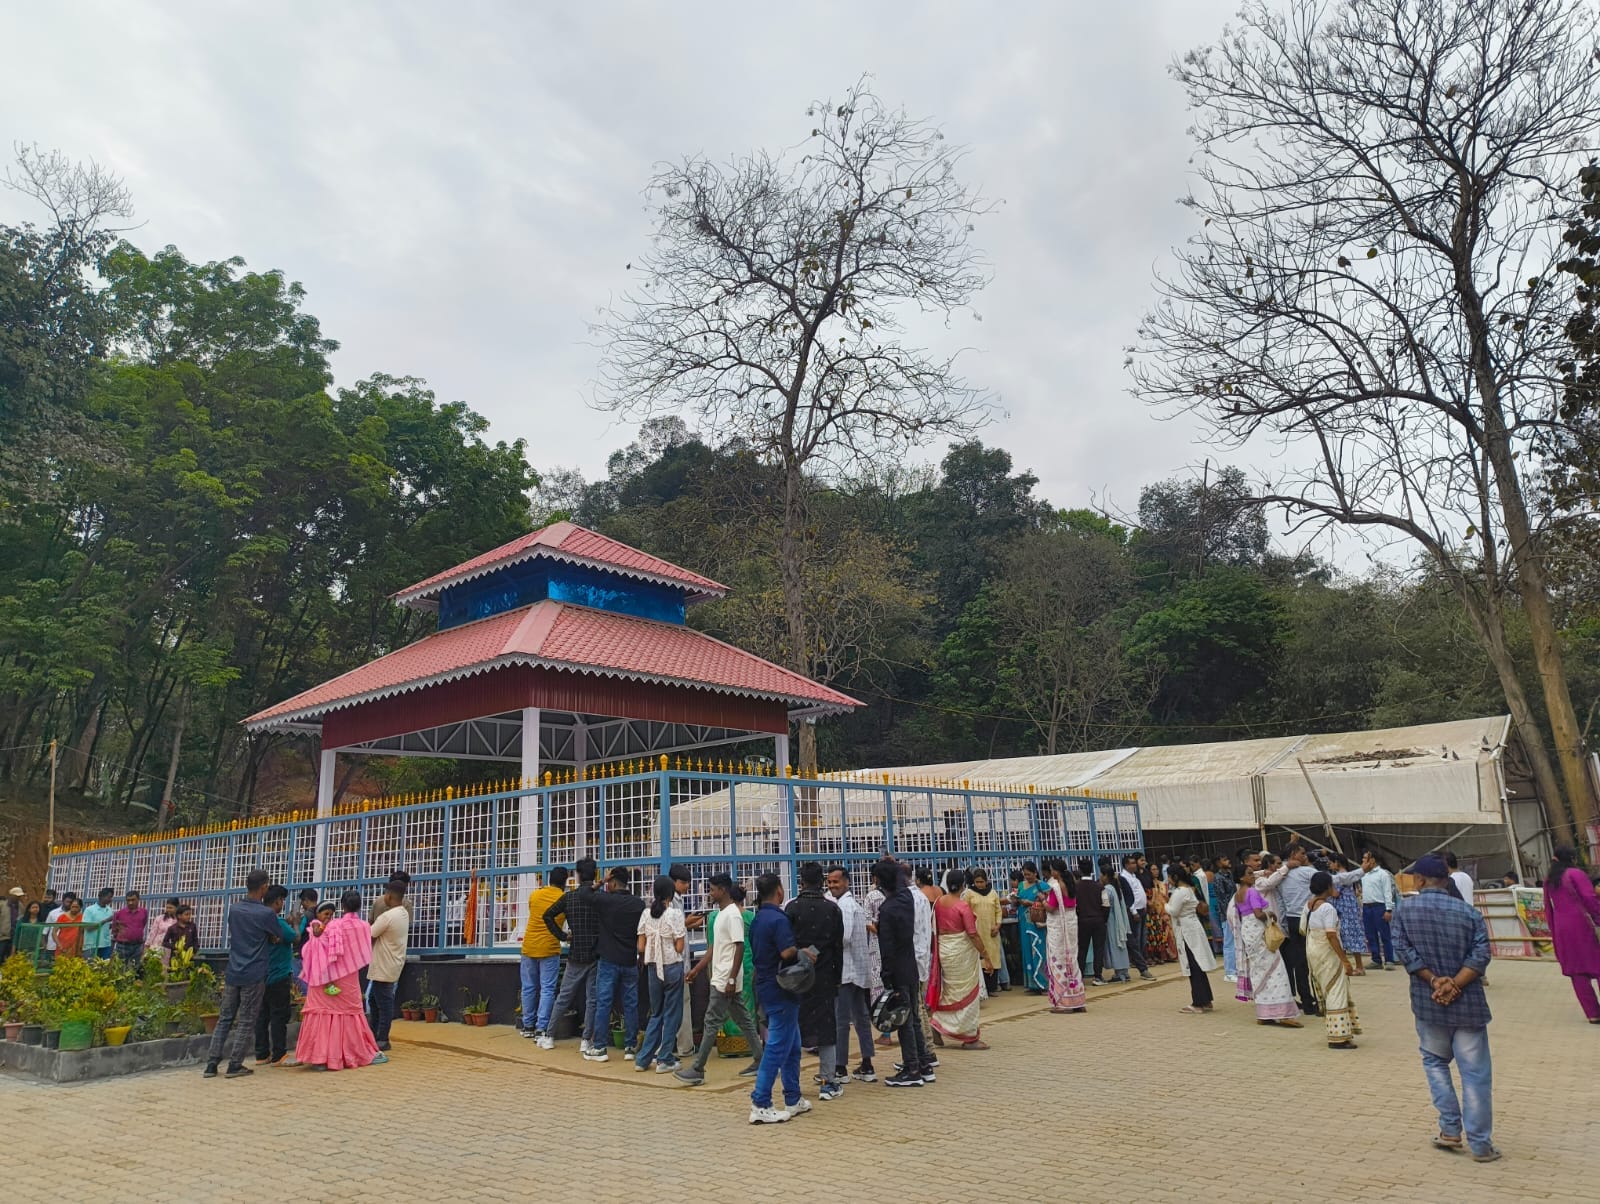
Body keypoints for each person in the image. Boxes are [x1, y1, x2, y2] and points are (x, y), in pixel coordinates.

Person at [1392, 853, 1498, 1162]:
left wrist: (1434, 980)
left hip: (1428, 1002)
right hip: (1468, 1005)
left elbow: (1403, 951)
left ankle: (1450, 1130)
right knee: (1475, 1074)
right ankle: (1480, 1144)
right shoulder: (1469, 914)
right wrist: (1456, 983)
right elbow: (1481, 955)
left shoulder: (1404, 910)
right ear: (1446, 880)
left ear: (1420, 880)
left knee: (1435, 1062)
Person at [676, 874, 763, 1087]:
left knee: (711, 1021)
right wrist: (697, 969)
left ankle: (698, 1068)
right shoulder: (722, 914)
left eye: (712, 889)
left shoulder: (733, 915)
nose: (710, 893)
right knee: (744, 1020)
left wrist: (732, 978)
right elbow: (716, 947)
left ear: (723, 890)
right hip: (722, 975)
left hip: (725, 978)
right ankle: (761, 1061)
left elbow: (739, 946)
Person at [205, 868, 289, 1079]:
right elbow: (277, 936)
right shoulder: (265, 913)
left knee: (225, 1018)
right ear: (264, 887)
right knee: (246, 1019)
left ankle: (212, 1063)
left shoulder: (234, 909)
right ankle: (235, 1064)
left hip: (233, 969)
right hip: (254, 972)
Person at [294, 889, 384, 1072]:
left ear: (342, 906)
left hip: (322, 977)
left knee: (321, 1014)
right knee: (350, 1014)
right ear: (359, 906)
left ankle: (319, 1058)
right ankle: (349, 1054)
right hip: (348, 979)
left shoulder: (333, 925)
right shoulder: (364, 927)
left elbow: (314, 944)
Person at [747, 872, 808, 1123]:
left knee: (792, 1045)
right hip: (781, 988)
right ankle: (760, 1102)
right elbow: (786, 952)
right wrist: (802, 952)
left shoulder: (758, 919)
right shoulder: (778, 920)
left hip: (766, 986)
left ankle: (793, 1097)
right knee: (776, 1047)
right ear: (779, 891)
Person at [786, 861, 844, 1098]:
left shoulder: (791, 908)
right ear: (822, 882)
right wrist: (837, 978)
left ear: (801, 881)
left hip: (797, 977)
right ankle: (828, 1081)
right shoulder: (832, 909)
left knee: (794, 1026)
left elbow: (787, 945)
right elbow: (838, 948)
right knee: (826, 1028)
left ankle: (792, 1083)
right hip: (825, 977)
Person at [874, 859, 933, 1088]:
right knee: (914, 1017)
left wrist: (886, 976)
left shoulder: (888, 909)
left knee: (904, 1019)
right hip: (910, 965)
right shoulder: (907, 898)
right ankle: (924, 1063)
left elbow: (887, 947)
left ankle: (912, 1068)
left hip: (898, 968)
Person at [545, 858, 603, 1058]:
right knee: (592, 1000)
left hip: (575, 954)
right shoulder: (599, 898)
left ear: (577, 875)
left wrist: (562, 936)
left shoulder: (569, 897)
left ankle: (549, 1035)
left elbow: (548, 915)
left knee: (563, 997)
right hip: (596, 954)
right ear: (595, 874)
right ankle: (586, 1041)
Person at [1230, 865, 1301, 1027]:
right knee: (1277, 970)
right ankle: (1283, 1014)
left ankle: (1264, 1013)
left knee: (1259, 972)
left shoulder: (1237, 895)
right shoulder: (1252, 891)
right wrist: (1270, 914)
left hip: (1248, 933)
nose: (1253, 876)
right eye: (1249, 874)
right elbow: (1258, 914)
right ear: (1241, 878)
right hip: (1259, 932)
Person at [928, 868, 990, 1049]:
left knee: (950, 992)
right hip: (961, 954)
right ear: (963, 885)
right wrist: (985, 955)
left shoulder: (938, 902)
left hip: (945, 952)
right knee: (967, 993)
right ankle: (969, 1037)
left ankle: (938, 1024)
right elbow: (972, 934)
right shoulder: (963, 906)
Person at [634, 875, 688, 1074]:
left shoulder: (646, 913)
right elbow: (680, 947)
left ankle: (643, 1059)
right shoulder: (675, 914)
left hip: (652, 968)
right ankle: (665, 1058)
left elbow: (641, 946)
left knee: (656, 1013)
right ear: (671, 895)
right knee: (672, 1014)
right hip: (672, 966)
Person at [1257, 843, 1319, 1015]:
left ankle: (1298, 999)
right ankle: (1298, 999)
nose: (1280, 866)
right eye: (1277, 864)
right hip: (1281, 926)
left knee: (1294, 964)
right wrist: (1285, 868)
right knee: (1297, 963)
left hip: (1286, 925)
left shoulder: (1280, 878)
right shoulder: (1268, 879)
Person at [591, 867, 646, 1061]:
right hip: (630, 959)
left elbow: (584, 894)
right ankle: (630, 1047)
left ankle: (599, 1048)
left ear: (612, 882)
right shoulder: (638, 904)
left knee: (604, 1003)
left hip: (608, 960)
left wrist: (600, 881)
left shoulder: (605, 900)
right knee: (631, 1004)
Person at [1542, 845, 1600, 1023]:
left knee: (1577, 971)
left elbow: (1548, 908)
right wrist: (1598, 917)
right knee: (1597, 964)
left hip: (1562, 928)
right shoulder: (1575, 874)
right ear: (1572, 858)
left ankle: (1593, 1014)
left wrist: (1555, 932)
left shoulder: (1549, 879)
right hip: (1582, 924)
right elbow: (1589, 898)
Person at [828, 865, 876, 1080]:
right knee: (861, 1017)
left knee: (841, 1020)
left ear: (846, 882)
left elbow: (844, 937)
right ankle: (867, 1063)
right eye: (829, 882)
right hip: (858, 970)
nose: (832, 886)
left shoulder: (845, 906)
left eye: (836, 882)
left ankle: (840, 1067)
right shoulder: (852, 904)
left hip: (846, 971)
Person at [1303, 871, 1359, 1050]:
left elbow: (1303, 929)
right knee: (1336, 991)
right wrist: (1345, 960)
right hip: (1327, 953)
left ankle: (1338, 1032)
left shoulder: (1309, 905)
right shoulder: (1328, 909)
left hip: (1313, 951)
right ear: (1328, 887)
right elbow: (1331, 935)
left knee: (1328, 990)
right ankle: (1338, 1036)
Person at [520, 867, 568, 1046]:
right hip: (549, 948)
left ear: (549, 879)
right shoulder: (563, 898)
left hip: (529, 946)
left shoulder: (534, 895)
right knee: (547, 989)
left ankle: (527, 1026)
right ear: (565, 881)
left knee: (528, 987)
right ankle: (541, 1028)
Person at [253, 885, 299, 1066]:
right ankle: (279, 1054)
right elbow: (295, 937)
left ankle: (261, 1054)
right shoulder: (277, 922)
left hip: (260, 975)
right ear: (278, 901)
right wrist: (296, 923)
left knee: (262, 1015)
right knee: (279, 1015)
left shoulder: (257, 921)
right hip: (279, 975)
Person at [1165, 862, 1217, 1015]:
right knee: (1197, 965)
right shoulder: (1189, 889)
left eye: (1169, 877)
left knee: (1194, 966)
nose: (1168, 880)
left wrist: (1164, 905)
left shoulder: (1180, 891)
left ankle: (1198, 1002)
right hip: (1192, 928)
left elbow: (1174, 911)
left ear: (1175, 877)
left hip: (1187, 931)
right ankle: (1206, 999)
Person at [368, 879, 410, 1052]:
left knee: (383, 1003)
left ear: (389, 895)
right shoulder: (403, 913)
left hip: (383, 965)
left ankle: (382, 1038)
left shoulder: (387, 916)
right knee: (374, 999)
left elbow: (370, 933)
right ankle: (374, 1034)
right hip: (393, 962)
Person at [1041, 858, 1086, 1014]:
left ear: (1055, 871)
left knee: (1058, 961)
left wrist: (1043, 900)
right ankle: (1077, 1000)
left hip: (1059, 927)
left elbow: (1051, 908)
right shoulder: (1071, 883)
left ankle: (1064, 1002)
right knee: (1072, 960)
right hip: (1071, 924)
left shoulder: (1056, 887)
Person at [963, 868, 1004, 996]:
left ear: (986, 881)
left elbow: (998, 911)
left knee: (992, 957)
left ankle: (992, 987)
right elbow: (965, 911)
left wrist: (997, 925)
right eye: (977, 882)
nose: (979, 885)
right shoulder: (969, 893)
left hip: (991, 931)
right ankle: (981, 989)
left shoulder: (993, 893)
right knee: (980, 957)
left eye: (981, 882)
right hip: (977, 931)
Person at [1327, 855, 1369, 975]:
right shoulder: (1347, 875)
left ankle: (1356, 966)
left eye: (1331, 862)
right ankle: (1352, 966)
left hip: (1345, 910)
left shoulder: (1341, 877)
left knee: (1347, 936)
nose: (1330, 865)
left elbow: (1335, 893)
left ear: (1337, 863)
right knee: (1348, 937)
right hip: (1348, 910)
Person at [1074, 858, 1110, 986]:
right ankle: (1098, 976)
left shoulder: (1076, 887)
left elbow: (1074, 905)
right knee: (1098, 948)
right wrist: (1103, 919)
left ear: (1080, 870)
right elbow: (1106, 905)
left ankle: (1079, 977)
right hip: (1098, 920)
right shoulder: (1099, 887)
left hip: (1082, 921)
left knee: (1082, 949)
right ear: (1092, 870)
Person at [1359, 851, 1398, 971]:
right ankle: (1376, 960)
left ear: (1372, 860)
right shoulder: (1364, 875)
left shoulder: (1383, 874)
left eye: (1365, 858)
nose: (1363, 860)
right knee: (1370, 934)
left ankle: (1389, 960)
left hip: (1379, 906)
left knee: (1385, 934)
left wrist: (1388, 909)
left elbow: (1387, 892)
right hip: (1367, 906)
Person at [1013, 862, 1048, 993]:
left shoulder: (1043, 886)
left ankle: (1042, 982)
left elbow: (1049, 904)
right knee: (1027, 950)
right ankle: (1031, 983)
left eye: (1029, 874)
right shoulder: (1021, 885)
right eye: (1025, 874)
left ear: (1035, 873)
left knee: (1038, 951)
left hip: (1036, 923)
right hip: (1024, 922)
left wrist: (1031, 903)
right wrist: (1016, 900)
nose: (1027, 877)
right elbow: (1016, 901)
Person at [1119, 853, 1153, 979]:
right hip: (1134, 911)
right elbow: (1128, 896)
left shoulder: (1134, 876)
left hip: (1141, 909)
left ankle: (1141, 959)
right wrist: (1133, 911)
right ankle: (1138, 962)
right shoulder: (1124, 877)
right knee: (1135, 939)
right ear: (1126, 865)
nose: (1135, 865)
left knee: (1142, 937)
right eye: (1132, 863)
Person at [1100, 858, 1133, 983]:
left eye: (1101, 874)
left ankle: (1119, 973)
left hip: (1111, 921)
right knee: (1121, 945)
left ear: (1105, 876)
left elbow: (1106, 906)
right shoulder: (1116, 887)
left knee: (1115, 945)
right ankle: (1124, 971)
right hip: (1119, 920)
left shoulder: (1107, 889)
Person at [1211, 854, 1237, 981]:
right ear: (1218, 863)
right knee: (1229, 943)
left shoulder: (1230, 875)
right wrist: (1229, 913)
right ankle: (1229, 972)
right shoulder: (1218, 878)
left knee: (1236, 942)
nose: (1228, 861)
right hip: (1227, 914)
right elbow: (1222, 899)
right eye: (1224, 860)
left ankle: (1236, 969)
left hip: (1236, 911)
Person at [1144, 870, 1177, 965]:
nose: (1156, 871)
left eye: (1156, 869)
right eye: (1153, 869)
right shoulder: (1149, 885)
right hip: (1154, 911)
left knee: (1167, 931)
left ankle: (1169, 955)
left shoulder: (1162, 884)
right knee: (1156, 934)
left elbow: (1166, 897)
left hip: (1164, 909)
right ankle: (1159, 955)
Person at [109, 890, 148, 966]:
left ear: (138, 899)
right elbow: (114, 930)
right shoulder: (119, 913)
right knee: (120, 968)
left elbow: (143, 924)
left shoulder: (144, 912)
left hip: (138, 946)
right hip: (123, 946)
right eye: (128, 900)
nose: (130, 902)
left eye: (133, 900)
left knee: (135, 968)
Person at [82, 888, 116, 961]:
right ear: (101, 896)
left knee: (105, 966)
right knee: (91, 966)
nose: (110, 899)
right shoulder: (89, 910)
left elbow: (107, 927)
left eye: (111, 897)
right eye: (109, 897)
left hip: (106, 945)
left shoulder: (109, 910)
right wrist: (106, 920)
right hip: (92, 945)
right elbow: (88, 928)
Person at [145, 898, 179, 967]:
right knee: (153, 966)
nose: (168, 910)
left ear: (177, 908)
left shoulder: (178, 920)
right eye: (167, 907)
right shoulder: (160, 918)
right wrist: (147, 945)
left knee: (165, 967)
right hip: (156, 946)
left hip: (169, 948)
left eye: (171, 908)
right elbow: (153, 933)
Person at [0, 886, 20, 961]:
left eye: (19, 896)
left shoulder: (20, 906)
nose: (18, 898)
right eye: (16, 896)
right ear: (11, 895)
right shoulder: (2, 904)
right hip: (2, 936)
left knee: (10, 958)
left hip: (14, 936)